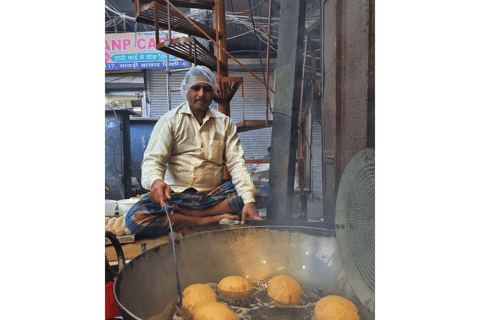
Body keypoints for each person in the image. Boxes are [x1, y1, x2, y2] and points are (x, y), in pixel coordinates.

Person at [125, 66, 272, 237]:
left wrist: (248, 201)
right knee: (135, 217)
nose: (201, 94)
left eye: (207, 89)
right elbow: (153, 160)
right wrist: (156, 182)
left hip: (212, 196)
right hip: (177, 198)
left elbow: (237, 165)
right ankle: (204, 220)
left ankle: (186, 218)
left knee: (263, 192)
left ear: (213, 92)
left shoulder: (224, 123)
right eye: (196, 88)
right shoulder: (169, 121)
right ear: (186, 90)